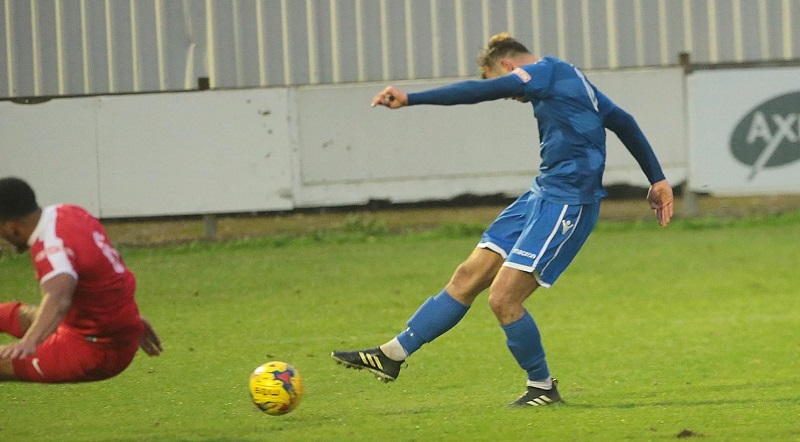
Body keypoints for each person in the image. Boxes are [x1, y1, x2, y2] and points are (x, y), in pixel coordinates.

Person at [331, 33, 673, 407]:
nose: (509, 92)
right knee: (467, 276)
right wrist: (656, 178)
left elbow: (478, 93)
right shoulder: (565, 76)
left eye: (502, 82)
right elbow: (622, 120)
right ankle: (392, 354)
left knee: (503, 299)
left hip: (568, 203)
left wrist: (412, 97)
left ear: (508, 66)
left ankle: (542, 388)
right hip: (540, 195)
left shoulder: (541, 73)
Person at [0, 177, 163, 382]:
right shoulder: (70, 213)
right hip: (111, 332)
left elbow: (58, 299)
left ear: (11, 226)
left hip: (94, 351)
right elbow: (105, 272)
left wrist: (29, 342)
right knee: (6, 314)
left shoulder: (52, 249)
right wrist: (127, 320)